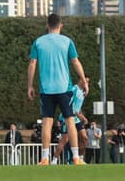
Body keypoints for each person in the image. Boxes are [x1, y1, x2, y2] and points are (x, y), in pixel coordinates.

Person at [27, 14, 89, 166]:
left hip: (46, 90)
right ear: (61, 25)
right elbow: (75, 62)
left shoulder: (38, 42)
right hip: (64, 88)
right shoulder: (67, 41)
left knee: (47, 123)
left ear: (47, 25)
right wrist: (84, 80)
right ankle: (75, 158)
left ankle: (45, 158)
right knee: (70, 122)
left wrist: (30, 85)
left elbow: (32, 64)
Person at [54, 80, 88, 164]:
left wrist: (82, 116)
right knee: (64, 139)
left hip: (76, 119)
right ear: (81, 80)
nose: (86, 84)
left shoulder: (83, 92)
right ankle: (54, 160)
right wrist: (78, 115)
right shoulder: (73, 89)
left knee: (84, 137)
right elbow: (67, 104)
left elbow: (78, 107)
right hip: (67, 117)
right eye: (86, 81)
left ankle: (80, 158)